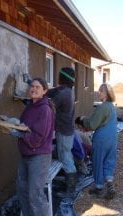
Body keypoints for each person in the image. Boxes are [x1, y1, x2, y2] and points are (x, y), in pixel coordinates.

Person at [8, 78, 55, 216]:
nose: (33, 89)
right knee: (23, 191)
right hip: (26, 155)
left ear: (44, 91)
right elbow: (26, 126)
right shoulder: (30, 107)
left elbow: (38, 138)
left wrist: (20, 134)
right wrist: (14, 124)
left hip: (39, 157)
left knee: (36, 195)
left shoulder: (44, 109)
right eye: (32, 86)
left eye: (37, 87)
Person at [76, 83, 117, 200]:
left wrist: (83, 119)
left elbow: (93, 124)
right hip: (113, 139)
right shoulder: (111, 107)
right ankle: (110, 184)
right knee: (109, 161)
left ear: (107, 94)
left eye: (101, 91)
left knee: (98, 162)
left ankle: (99, 188)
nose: (98, 92)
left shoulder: (102, 107)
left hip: (102, 139)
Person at [46, 67, 77, 195]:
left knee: (65, 158)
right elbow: (53, 91)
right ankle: (70, 183)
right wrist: (35, 84)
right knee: (66, 155)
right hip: (67, 129)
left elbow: (49, 106)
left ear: (62, 77)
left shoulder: (63, 94)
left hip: (64, 131)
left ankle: (71, 188)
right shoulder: (68, 91)